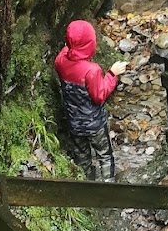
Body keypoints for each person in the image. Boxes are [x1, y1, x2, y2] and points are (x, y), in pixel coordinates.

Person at [53, 19, 128, 180]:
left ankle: (88, 188)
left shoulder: (60, 61)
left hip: (74, 124)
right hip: (95, 125)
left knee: (83, 159)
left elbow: (67, 51)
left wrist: (72, 44)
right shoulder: (92, 71)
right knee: (105, 156)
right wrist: (112, 74)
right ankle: (109, 188)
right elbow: (99, 95)